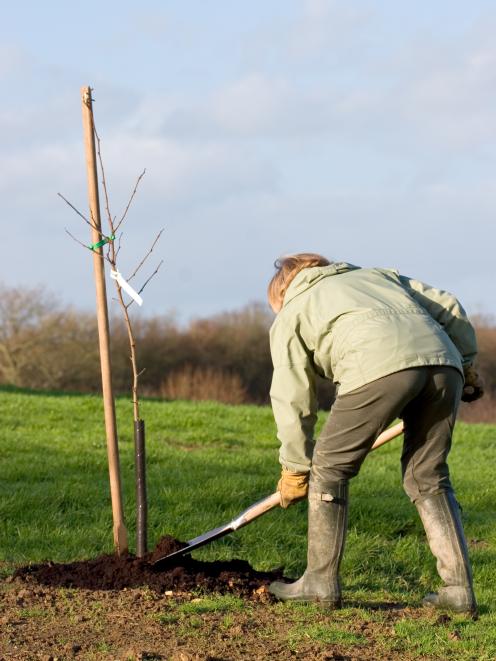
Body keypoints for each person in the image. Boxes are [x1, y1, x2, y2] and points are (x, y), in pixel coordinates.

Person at [267, 253, 483, 614]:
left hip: (377, 367)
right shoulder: (377, 277)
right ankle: (458, 590)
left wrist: (294, 468)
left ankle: (320, 582)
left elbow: (292, 397)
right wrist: (466, 362)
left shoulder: (293, 309)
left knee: (329, 468)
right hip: (444, 363)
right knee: (428, 475)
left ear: (282, 292)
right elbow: (449, 306)